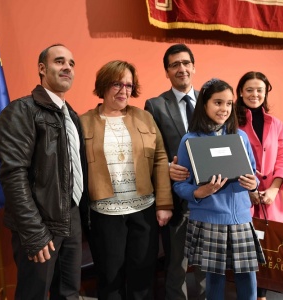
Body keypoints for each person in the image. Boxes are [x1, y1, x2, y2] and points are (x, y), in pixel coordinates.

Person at [0, 44, 86, 300]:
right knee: (32, 295)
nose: (67, 67)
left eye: (71, 63)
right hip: (40, 223)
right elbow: (13, 176)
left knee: (68, 293)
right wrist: (34, 231)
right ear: (42, 69)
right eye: (59, 61)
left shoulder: (72, 116)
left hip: (71, 217)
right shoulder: (21, 111)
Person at [80, 60, 173, 300]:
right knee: (110, 278)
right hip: (104, 213)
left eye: (129, 85)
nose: (124, 91)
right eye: (116, 84)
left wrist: (164, 204)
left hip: (143, 210)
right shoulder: (83, 122)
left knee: (143, 276)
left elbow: (161, 159)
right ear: (103, 86)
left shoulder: (144, 118)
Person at [173, 78, 265, 300]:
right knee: (214, 282)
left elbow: (253, 175)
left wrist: (253, 184)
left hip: (241, 218)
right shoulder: (190, 140)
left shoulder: (240, 137)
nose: (224, 109)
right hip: (209, 219)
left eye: (228, 103)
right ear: (204, 103)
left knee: (247, 278)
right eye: (217, 102)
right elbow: (180, 184)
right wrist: (198, 193)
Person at [144, 43, 206, 300]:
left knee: (206, 263)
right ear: (167, 72)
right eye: (174, 65)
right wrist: (167, 169)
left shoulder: (210, 99)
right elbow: (150, 151)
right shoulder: (155, 105)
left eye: (185, 63)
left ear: (193, 66)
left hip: (209, 196)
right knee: (176, 264)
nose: (181, 69)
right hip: (176, 199)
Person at [235, 71, 283, 300]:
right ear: (240, 92)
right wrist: (249, 190)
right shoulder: (232, 121)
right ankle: (247, 292)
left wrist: (273, 189)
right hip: (242, 195)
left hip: (270, 197)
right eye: (249, 89)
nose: (254, 94)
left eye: (260, 89)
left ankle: (261, 294)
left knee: (268, 245)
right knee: (245, 247)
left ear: (266, 92)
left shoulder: (276, 123)